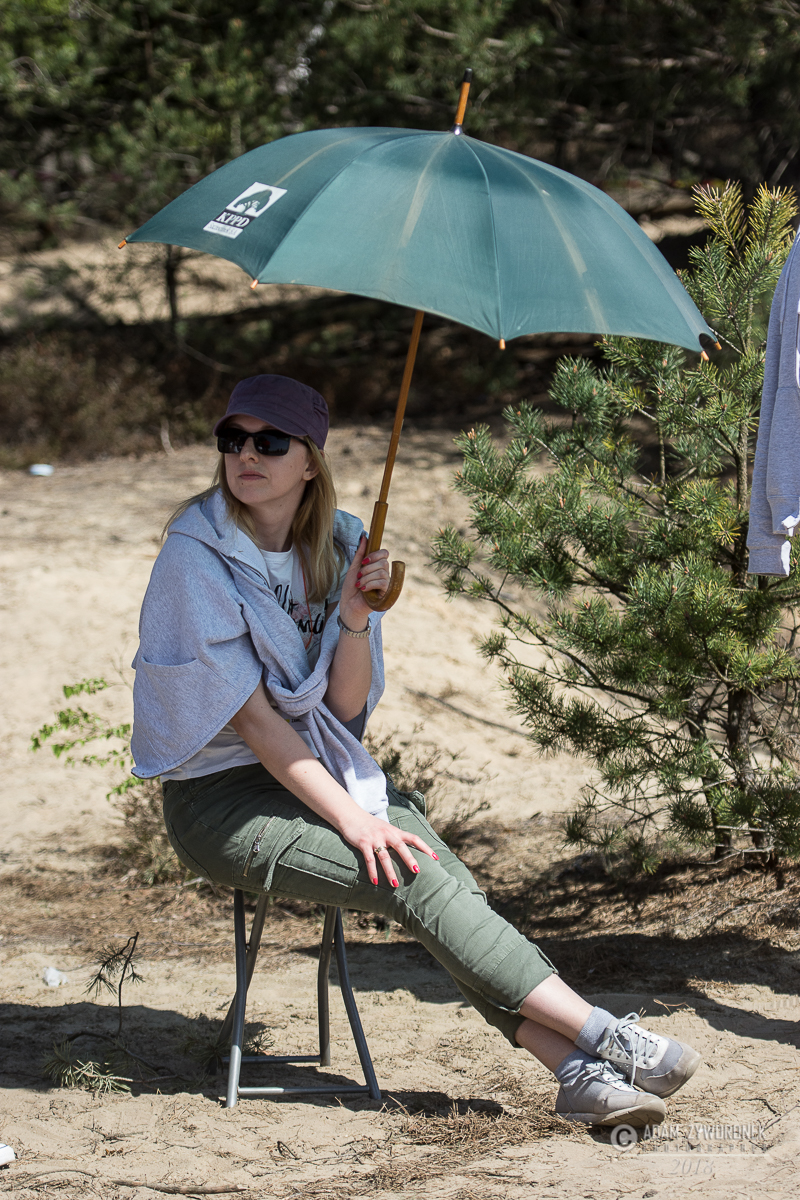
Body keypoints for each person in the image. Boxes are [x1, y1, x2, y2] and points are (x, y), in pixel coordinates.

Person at [131, 374, 701, 1127]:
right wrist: (358, 821)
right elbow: (261, 727)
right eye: (232, 439)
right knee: (407, 873)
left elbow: (342, 712)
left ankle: (574, 1074)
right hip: (218, 802)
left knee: (440, 877)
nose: (246, 455)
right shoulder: (196, 554)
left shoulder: (341, 544)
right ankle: (604, 1034)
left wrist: (354, 617)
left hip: (315, 767)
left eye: (269, 441)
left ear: (310, 461)